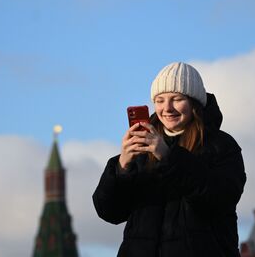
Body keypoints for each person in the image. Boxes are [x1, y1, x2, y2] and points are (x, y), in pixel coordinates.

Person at [92, 62, 246, 256]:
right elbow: (109, 212)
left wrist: (168, 157)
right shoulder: (142, 148)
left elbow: (223, 197)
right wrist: (122, 167)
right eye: (160, 100)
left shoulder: (221, 145)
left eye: (176, 99)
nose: (167, 108)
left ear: (194, 102)